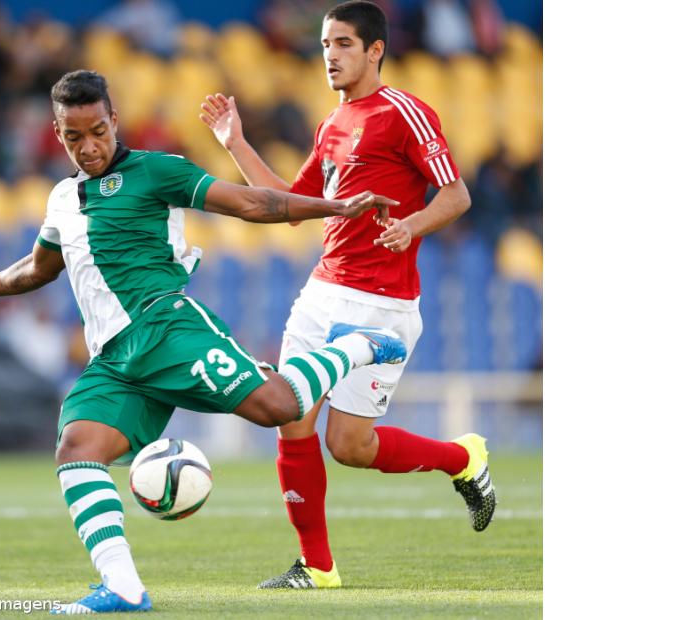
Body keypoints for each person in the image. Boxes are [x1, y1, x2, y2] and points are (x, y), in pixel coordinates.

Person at [0, 69, 406, 614]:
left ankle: (359, 344)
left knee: (277, 407)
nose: (89, 147)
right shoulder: (63, 198)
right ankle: (125, 588)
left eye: (97, 131)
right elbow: (37, 271)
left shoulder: (156, 171)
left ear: (114, 121)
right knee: (77, 448)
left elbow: (254, 205)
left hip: (167, 327)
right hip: (113, 358)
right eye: (73, 137)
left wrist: (334, 207)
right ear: (57, 135)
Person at [198, 0, 492, 590]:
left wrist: (411, 226)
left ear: (374, 50)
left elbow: (455, 196)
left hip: (381, 306)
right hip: (321, 294)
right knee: (289, 415)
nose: (329, 54)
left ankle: (464, 460)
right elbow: (289, 206)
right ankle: (317, 567)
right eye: (326, 44)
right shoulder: (331, 124)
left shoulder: (404, 112)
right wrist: (234, 141)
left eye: (343, 44)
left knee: (350, 446)